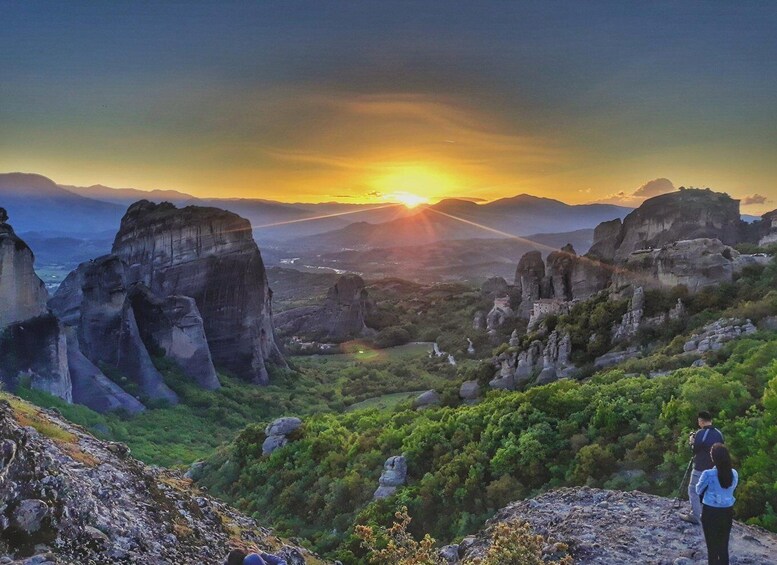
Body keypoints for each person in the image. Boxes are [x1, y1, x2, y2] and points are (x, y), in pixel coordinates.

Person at [696, 443, 738, 565]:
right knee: (723, 546)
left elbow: (698, 490)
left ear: (713, 458)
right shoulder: (734, 473)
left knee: (712, 548)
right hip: (727, 512)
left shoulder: (708, 474)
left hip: (710, 512)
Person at [681, 410, 724, 524]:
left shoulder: (701, 433)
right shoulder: (719, 433)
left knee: (693, 490)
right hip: (714, 468)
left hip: (700, 467)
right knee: (708, 492)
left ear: (701, 421)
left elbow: (695, 450)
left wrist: (691, 441)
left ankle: (695, 516)